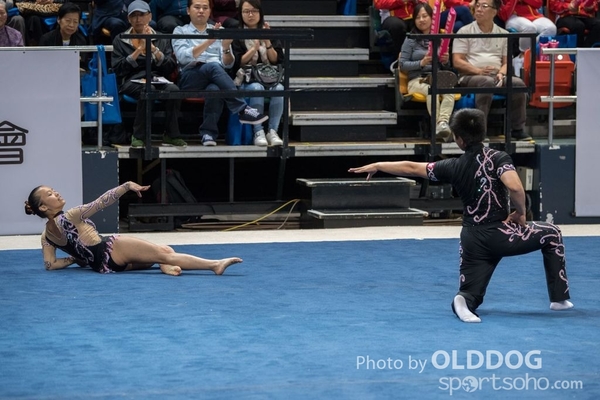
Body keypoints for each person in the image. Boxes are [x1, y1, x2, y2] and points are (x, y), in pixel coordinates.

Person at [348, 108, 573, 323]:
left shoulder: (452, 165)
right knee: (552, 233)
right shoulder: (498, 158)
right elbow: (515, 187)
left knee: (470, 293)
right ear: (483, 132)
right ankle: (558, 299)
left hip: (471, 239)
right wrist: (521, 213)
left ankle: (462, 301)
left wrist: (378, 164)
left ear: (459, 139)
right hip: (501, 234)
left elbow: (412, 168)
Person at [24, 182, 243, 275]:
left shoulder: (46, 236)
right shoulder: (71, 215)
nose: (56, 193)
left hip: (103, 267)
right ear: (43, 207)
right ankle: (214, 264)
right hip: (111, 249)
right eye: (50, 194)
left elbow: (50, 265)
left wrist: (75, 258)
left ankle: (164, 266)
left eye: (53, 190)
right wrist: (126, 186)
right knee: (164, 252)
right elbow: (102, 202)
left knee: (160, 254)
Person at [172, 0, 267, 146]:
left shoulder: (219, 30)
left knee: (215, 88)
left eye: (205, 8)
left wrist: (226, 48)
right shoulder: (180, 31)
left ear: (210, 11)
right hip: (190, 77)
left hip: (215, 77)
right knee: (212, 66)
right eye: (197, 7)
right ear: (188, 10)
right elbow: (183, 57)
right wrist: (208, 42)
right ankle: (243, 109)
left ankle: (208, 134)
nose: (201, 11)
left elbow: (228, 64)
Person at [452, 0, 532, 141]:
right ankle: (480, 131)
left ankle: (517, 129)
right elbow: (457, 61)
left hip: (496, 75)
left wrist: (501, 73)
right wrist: (478, 71)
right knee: (486, 82)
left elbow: (506, 62)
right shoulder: (464, 31)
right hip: (471, 76)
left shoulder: (503, 33)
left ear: (494, 12)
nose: (479, 9)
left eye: (484, 6)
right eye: (477, 6)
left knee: (518, 84)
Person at [112, 0, 187, 148]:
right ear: (128, 19)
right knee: (148, 90)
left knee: (174, 90)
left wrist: (153, 49)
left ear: (150, 16)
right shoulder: (120, 39)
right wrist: (139, 50)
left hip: (157, 78)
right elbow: (118, 68)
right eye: (134, 15)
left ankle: (171, 135)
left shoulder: (161, 38)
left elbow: (169, 66)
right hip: (132, 80)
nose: (138, 19)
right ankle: (138, 136)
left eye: (142, 15)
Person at [400, 2, 457, 142]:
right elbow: (402, 65)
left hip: (436, 76)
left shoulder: (439, 38)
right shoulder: (410, 39)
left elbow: (446, 66)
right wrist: (421, 63)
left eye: (425, 16)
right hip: (417, 79)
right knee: (432, 91)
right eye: (418, 17)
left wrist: (445, 61)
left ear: (432, 18)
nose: (421, 20)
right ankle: (440, 127)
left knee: (448, 90)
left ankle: (442, 123)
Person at [231, 0, 283, 146]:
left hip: (269, 77)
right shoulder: (236, 34)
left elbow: (276, 60)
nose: (250, 15)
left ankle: (273, 131)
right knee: (256, 88)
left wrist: (267, 42)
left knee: (279, 89)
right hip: (247, 78)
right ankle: (258, 131)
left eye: (254, 11)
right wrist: (253, 49)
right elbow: (238, 62)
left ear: (260, 13)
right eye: (246, 11)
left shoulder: (269, 32)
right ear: (241, 14)